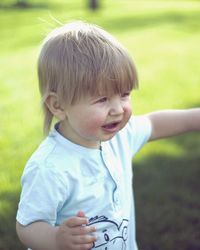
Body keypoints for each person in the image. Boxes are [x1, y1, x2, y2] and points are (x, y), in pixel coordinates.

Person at [16, 21, 200, 250]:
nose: (118, 110)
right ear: (58, 105)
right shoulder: (50, 167)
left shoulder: (120, 137)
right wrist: (55, 239)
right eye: (102, 99)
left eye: (124, 95)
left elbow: (155, 123)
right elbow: (27, 225)